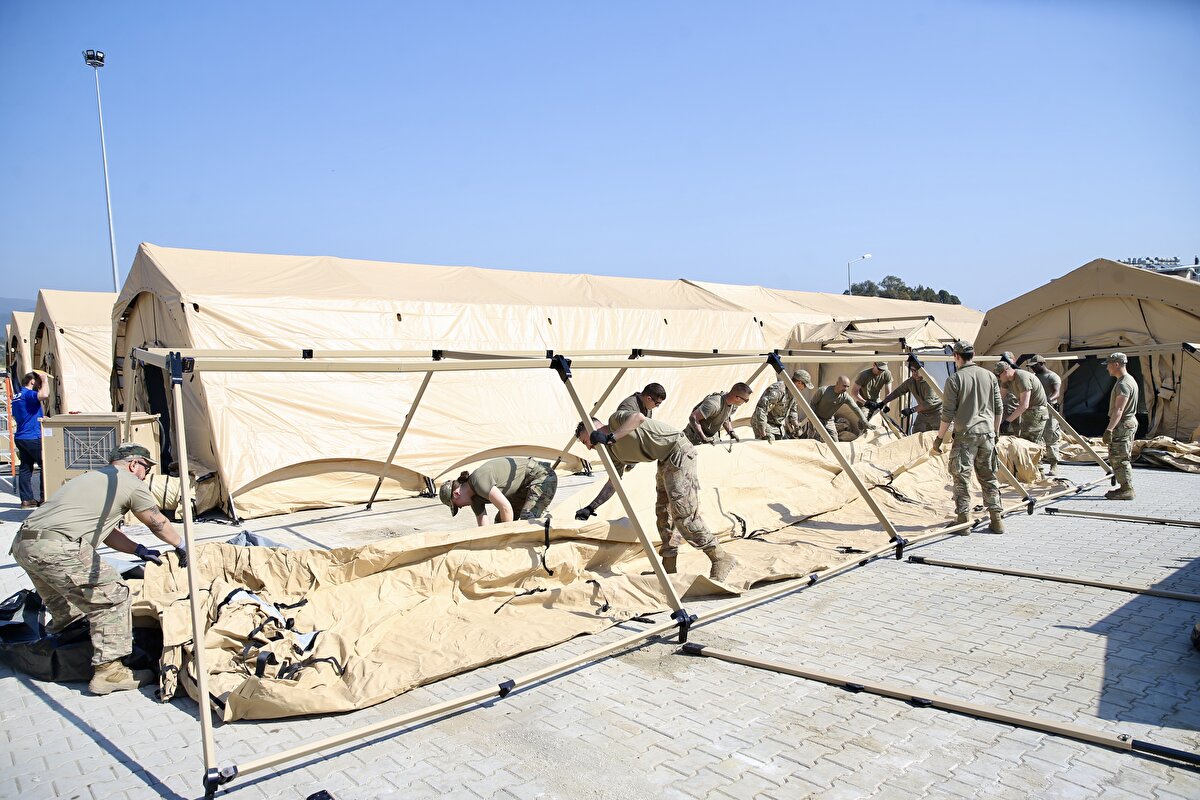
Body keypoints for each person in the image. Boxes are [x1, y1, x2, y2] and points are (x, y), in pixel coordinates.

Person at [9, 443, 185, 695]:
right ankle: (109, 672)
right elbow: (157, 522)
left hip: (25, 544)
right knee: (113, 596)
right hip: (59, 546)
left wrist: (138, 550)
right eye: (145, 468)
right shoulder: (128, 481)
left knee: (68, 608)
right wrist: (182, 544)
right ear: (133, 464)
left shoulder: (91, 478)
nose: (146, 475)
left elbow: (107, 533)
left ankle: (66, 650)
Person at [573, 410, 736, 582]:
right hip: (665, 459)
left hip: (678, 451)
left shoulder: (616, 421)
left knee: (684, 513)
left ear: (595, 428)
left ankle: (719, 556)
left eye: (586, 441)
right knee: (664, 514)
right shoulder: (612, 454)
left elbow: (639, 417)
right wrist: (591, 507)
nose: (590, 447)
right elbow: (613, 482)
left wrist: (611, 437)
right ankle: (668, 565)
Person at [931, 341, 1004, 533]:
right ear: (973, 354)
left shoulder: (955, 379)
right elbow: (999, 408)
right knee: (989, 476)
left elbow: (947, 414)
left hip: (965, 437)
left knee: (962, 478)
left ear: (956, 356)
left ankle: (963, 521)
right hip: (987, 434)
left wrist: (938, 439)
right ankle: (996, 520)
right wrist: (995, 432)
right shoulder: (989, 376)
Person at [439, 457, 557, 525]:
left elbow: (505, 508)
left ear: (456, 494)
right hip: (521, 489)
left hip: (541, 476)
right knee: (499, 523)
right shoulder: (474, 499)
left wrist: (506, 540)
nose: (460, 507)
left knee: (528, 520)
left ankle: (549, 528)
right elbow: (485, 529)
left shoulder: (478, 480)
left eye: (457, 506)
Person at [995, 361, 1051, 467]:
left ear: (1006, 371)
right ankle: (1030, 470)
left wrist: (1007, 421)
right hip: (1026, 412)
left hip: (1036, 412)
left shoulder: (1022, 377)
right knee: (1023, 441)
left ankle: (1037, 471)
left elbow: (1024, 404)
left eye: (999, 375)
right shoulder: (1006, 380)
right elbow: (998, 399)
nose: (998, 378)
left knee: (1030, 444)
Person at [1102, 352, 1139, 500]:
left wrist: (1109, 429)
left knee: (1119, 457)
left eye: (1109, 365)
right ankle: (1125, 487)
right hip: (1127, 422)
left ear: (1116, 364)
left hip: (1123, 424)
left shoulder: (1124, 384)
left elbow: (1119, 409)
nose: (1107, 369)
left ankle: (1126, 489)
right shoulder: (1128, 380)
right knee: (1121, 456)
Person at [11, 371, 49, 508]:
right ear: (32, 382)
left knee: (25, 468)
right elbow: (44, 395)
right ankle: (45, 497)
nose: (39, 385)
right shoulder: (28, 394)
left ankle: (26, 500)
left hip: (21, 436)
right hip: (33, 437)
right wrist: (45, 380)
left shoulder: (16, 396)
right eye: (38, 383)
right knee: (46, 466)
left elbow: (17, 416)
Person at [877, 360, 942, 434]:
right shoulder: (911, 382)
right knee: (916, 434)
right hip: (923, 413)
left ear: (922, 370)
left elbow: (928, 403)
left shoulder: (929, 382)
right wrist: (883, 402)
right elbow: (897, 392)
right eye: (912, 371)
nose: (915, 373)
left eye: (917, 371)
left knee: (940, 435)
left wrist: (912, 410)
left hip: (937, 412)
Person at [685, 382, 753, 445]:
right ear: (737, 398)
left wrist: (731, 432)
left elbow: (725, 418)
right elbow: (693, 418)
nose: (745, 402)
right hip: (694, 437)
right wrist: (703, 438)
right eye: (746, 400)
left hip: (711, 436)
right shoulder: (714, 404)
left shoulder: (733, 404)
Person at [751, 370, 810, 441]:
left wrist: (796, 427)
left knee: (783, 445)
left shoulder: (793, 392)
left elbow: (793, 411)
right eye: (805, 386)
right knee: (769, 446)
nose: (804, 388)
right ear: (799, 382)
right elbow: (761, 410)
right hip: (764, 423)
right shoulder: (777, 390)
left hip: (777, 425)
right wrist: (763, 434)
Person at [1028, 355, 1062, 474]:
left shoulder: (1052, 377)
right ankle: (1039, 465)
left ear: (1042, 364)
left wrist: (1047, 400)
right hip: (1036, 411)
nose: (1032, 368)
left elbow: (1056, 393)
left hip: (1050, 411)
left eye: (1034, 366)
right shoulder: (1034, 377)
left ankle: (1054, 464)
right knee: (1036, 437)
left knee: (1051, 437)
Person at [810, 376, 872, 440]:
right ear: (837, 383)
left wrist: (865, 421)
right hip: (816, 418)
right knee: (814, 439)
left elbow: (856, 409)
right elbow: (812, 404)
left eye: (848, 386)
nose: (846, 388)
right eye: (844, 386)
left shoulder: (845, 397)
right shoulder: (823, 390)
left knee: (834, 440)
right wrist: (813, 419)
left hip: (829, 420)